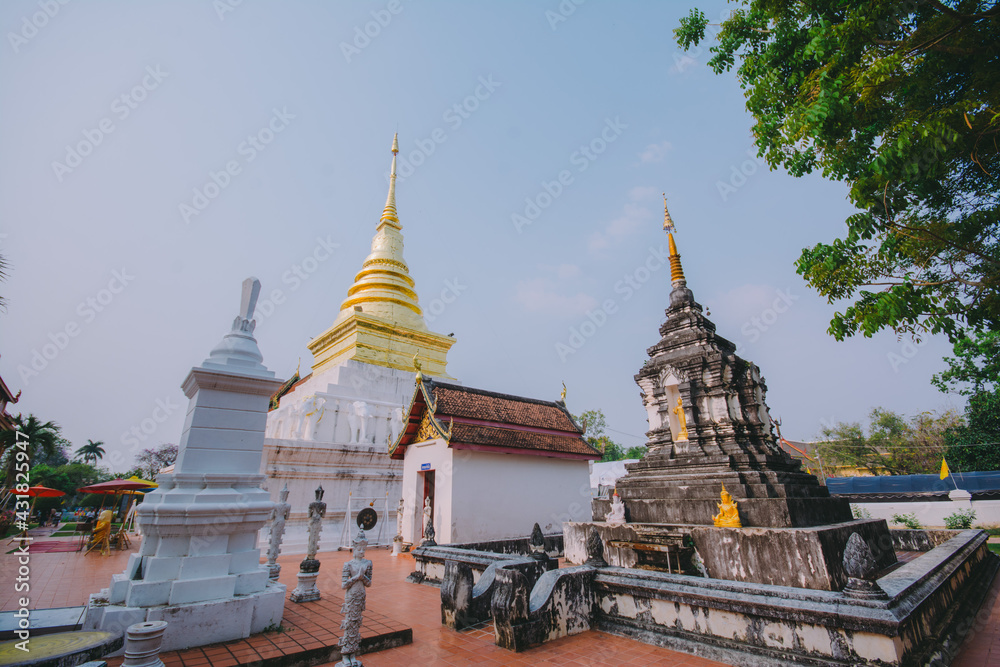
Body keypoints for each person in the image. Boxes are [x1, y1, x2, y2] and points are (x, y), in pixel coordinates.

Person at [338, 528, 373, 667]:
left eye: (364, 548)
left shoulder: (367, 563)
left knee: (356, 624)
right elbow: (343, 585)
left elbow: (369, 583)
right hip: (351, 596)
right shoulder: (348, 564)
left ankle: (352, 654)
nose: (362, 551)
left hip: (361, 596)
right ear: (354, 548)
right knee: (349, 624)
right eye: (359, 548)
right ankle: (345, 655)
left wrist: (362, 577)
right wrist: (356, 577)